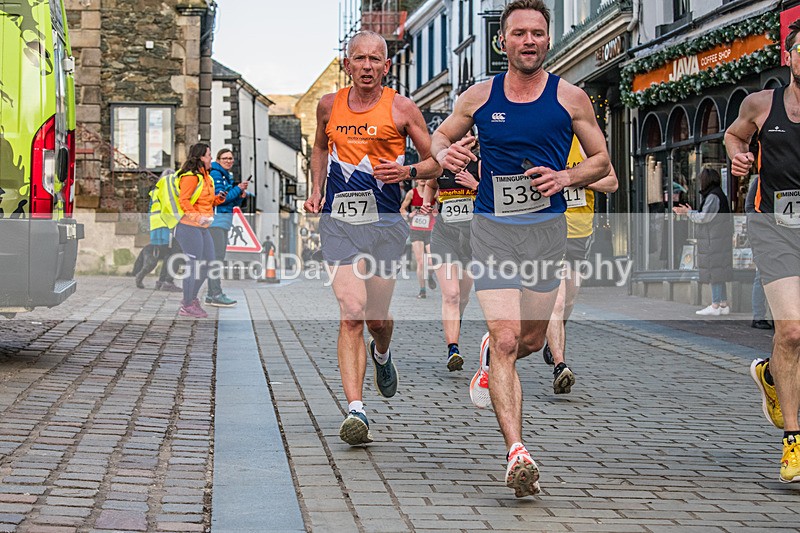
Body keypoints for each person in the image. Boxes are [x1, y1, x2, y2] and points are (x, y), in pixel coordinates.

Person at [431, 0, 611, 497]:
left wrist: (567, 175)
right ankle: (517, 452)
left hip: (547, 234)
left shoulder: (572, 98)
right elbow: (438, 138)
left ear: (547, 40)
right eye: (518, 33)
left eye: (536, 33)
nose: (528, 41)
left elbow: (601, 161)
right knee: (509, 338)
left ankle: (492, 354)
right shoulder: (478, 96)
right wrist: (446, 151)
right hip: (491, 228)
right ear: (502, 41)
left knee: (531, 341)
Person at [303, 30, 440, 446]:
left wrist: (409, 173)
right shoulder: (329, 105)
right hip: (339, 222)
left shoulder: (402, 108)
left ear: (386, 65)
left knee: (377, 320)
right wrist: (316, 189)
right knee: (352, 312)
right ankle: (355, 411)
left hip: (384, 226)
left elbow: (436, 160)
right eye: (358, 59)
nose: (366, 66)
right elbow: (319, 149)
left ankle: (382, 353)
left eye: (374, 60)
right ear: (348, 65)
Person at [725, 17, 800, 483]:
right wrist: (737, 153)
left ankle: (773, 376)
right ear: (789, 56)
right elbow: (735, 134)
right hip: (776, 228)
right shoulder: (761, 104)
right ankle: (794, 442)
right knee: (792, 332)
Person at [542, 137, 618, 393]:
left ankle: (553, 341)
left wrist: (575, 178)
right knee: (559, 301)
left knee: (570, 300)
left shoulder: (586, 144)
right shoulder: (543, 140)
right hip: (549, 230)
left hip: (580, 234)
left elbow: (612, 183)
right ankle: (560, 364)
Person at [427, 137, 480, 371]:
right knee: (451, 294)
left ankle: (455, 323)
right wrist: (428, 202)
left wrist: (476, 186)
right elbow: (430, 184)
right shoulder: (441, 162)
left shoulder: (481, 163)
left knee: (463, 297)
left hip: (471, 239)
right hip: (444, 236)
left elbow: (497, 197)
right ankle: (453, 349)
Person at [172, 143, 227, 318]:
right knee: (194, 265)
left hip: (203, 227)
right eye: (209, 155)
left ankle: (191, 298)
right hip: (188, 226)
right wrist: (197, 217)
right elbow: (184, 201)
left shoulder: (207, 178)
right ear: (201, 158)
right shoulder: (190, 177)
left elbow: (205, 202)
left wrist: (218, 199)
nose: (211, 158)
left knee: (210, 263)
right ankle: (187, 305)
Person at [672, 167, 733, 316]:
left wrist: (688, 213)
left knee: (714, 272)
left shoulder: (713, 196)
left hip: (714, 240)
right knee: (719, 270)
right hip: (719, 239)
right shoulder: (718, 194)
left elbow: (704, 217)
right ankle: (723, 304)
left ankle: (715, 304)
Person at [206, 148, 251, 308]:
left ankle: (212, 294)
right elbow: (221, 199)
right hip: (216, 222)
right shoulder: (216, 174)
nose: (228, 161)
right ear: (218, 160)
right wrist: (238, 189)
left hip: (223, 222)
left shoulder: (226, 176)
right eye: (225, 158)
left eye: (231, 158)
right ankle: (215, 293)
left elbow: (231, 203)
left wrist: (239, 196)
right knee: (216, 259)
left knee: (216, 259)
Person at [133, 170, 182, 292]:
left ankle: (161, 281)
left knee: (164, 252)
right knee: (171, 252)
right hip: (166, 224)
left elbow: (151, 209)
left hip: (156, 225)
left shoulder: (155, 192)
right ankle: (165, 281)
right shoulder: (169, 191)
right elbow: (170, 208)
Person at [400, 180, 437, 298]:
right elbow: (402, 209)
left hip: (430, 230)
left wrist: (436, 212)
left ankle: (430, 275)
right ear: (416, 179)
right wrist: (408, 215)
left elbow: (441, 204)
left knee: (432, 261)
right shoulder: (412, 193)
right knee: (420, 262)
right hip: (416, 230)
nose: (422, 180)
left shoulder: (433, 192)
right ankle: (422, 290)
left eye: (425, 178)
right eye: (420, 177)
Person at [744, 177, 773, 330]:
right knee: (761, 274)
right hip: (765, 233)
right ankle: (759, 316)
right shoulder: (760, 181)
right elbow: (750, 208)